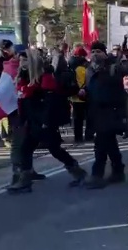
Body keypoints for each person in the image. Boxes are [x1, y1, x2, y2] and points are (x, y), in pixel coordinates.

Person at [7, 48, 86, 193]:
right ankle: (25, 180)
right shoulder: (24, 76)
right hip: (32, 120)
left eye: (24, 59)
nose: (21, 62)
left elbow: (50, 102)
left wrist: (45, 121)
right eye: (21, 59)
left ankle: (77, 171)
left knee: (54, 149)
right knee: (26, 149)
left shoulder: (45, 76)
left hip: (44, 121)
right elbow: (23, 100)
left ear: (31, 61)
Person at [84, 42, 128, 189]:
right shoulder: (90, 69)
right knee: (109, 143)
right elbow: (91, 88)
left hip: (110, 110)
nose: (95, 54)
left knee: (101, 144)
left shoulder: (113, 68)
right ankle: (118, 170)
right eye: (93, 51)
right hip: (95, 110)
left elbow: (121, 90)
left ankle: (97, 174)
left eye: (98, 51)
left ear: (104, 53)